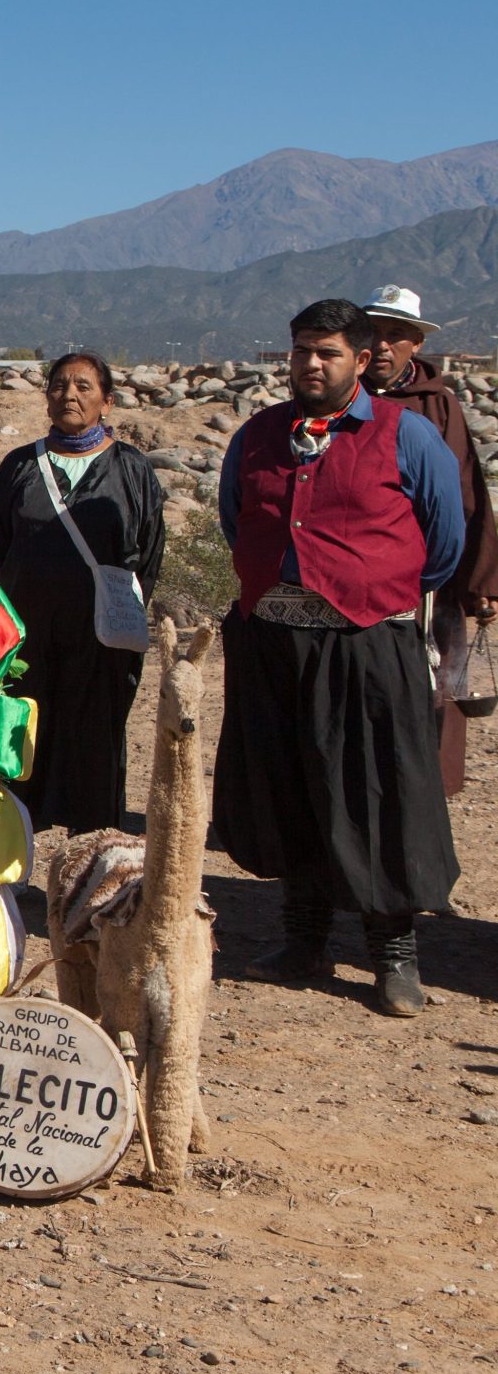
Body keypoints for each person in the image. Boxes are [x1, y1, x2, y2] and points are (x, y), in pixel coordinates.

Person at [216, 298, 463, 1018]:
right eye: (301, 351)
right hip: (274, 640)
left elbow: (441, 542)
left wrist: (368, 588)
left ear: (362, 360)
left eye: (326, 353)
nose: (310, 365)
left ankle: (393, 953)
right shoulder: (259, 436)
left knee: (380, 792)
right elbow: (238, 518)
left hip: (366, 643)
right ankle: (304, 937)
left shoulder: (406, 436)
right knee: (291, 784)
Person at [0, 352, 167, 833]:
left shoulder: (131, 470)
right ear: (46, 398)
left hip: (100, 641)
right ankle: (11, 859)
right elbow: (0, 550)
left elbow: (147, 555)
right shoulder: (20, 467)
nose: (70, 394)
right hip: (29, 641)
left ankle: (94, 865)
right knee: (21, 741)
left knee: (94, 746)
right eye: (60, 385)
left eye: (84, 387)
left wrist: (122, 618)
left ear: (107, 401)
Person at [358, 284, 498, 793]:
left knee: (434, 682)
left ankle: (423, 795)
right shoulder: (337, 397)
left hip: (428, 574)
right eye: (375, 332)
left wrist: (481, 578)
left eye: (398, 335)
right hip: (355, 570)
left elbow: (467, 490)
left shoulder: (438, 406)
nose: (385, 344)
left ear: (417, 343)